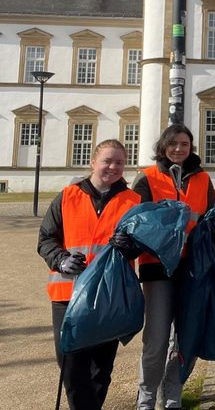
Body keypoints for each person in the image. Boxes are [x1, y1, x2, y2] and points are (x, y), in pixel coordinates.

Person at [37, 139, 141, 410]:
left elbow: (141, 246)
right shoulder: (68, 195)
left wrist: (130, 247)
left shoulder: (133, 201)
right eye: (107, 160)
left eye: (119, 162)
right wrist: (61, 260)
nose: (113, 167)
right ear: (93, 162)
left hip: (109, 294)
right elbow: (46, 238)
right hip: (67, 292)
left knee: (101, 368)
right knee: (70, 364)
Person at [133, 124, 215, 410]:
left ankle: (172, 396)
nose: (179, 149)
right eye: (173, 143)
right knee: (156, 339)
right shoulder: (147, 178)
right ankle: (145, 399)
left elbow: (209, 219)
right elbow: (140, 223)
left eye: (184, 143)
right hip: (158, 268)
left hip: (192, 267)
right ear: (163, 145)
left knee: (185, 337)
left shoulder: (203, 179)